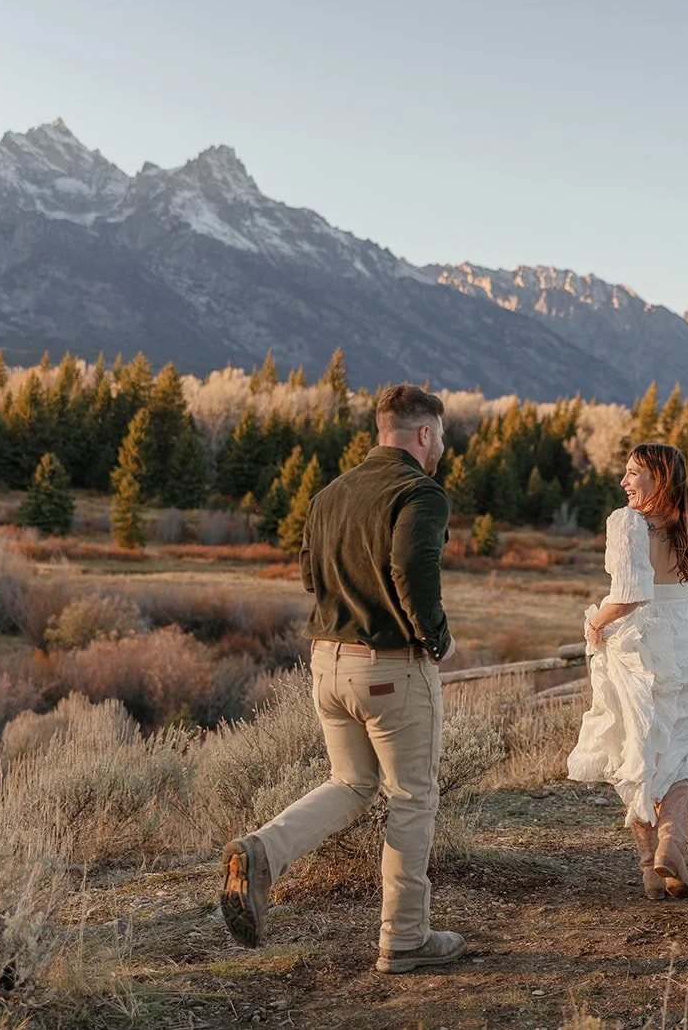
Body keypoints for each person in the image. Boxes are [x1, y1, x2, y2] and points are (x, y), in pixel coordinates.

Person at [219, 383, 467, 974]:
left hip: (328, 664)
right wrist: (436, 638)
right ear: (424, 434)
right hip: (390, 668)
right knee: (412, 797)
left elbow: (311, 575)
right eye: (441, 438)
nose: (441, 449)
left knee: (352, 782)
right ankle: (404, 937)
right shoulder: (420, 492)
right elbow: (411, 568)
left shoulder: (330, 493)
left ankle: (262, 852)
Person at [567, 442, 688, 899]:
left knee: (635, 749)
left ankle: (650, 866)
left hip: (638, 644)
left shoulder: (628, 523)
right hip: (686, 643)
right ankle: (669, 847)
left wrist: (594, 622)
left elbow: (630, 594)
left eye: (632, 474)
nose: (624, 482)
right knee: (681, 749)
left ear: (658, 477)